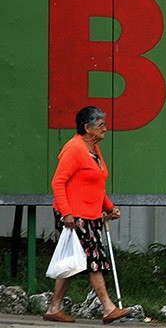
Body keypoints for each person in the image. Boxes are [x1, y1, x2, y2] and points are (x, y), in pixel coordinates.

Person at [43, 106, 132, 323]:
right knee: (93, 260)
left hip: (90, 214)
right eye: (101, 125)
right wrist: (67, 213)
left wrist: (109, 207)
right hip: (75, 216)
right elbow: (58, 182)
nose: (105, 129)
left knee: (74, 261)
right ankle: (108, 307)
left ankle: (54, 308)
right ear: (87, 128)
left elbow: (96, 184)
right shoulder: (74, 149)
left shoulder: (92, 149)